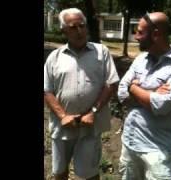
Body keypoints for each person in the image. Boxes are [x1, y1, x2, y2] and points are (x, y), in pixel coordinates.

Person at [44, 8, 119, 180]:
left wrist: (93, 112)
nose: (79, 31)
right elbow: (47, 90)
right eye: (73, 27)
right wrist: (62, 115)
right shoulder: (54, 57)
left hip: (90, 127)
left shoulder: (101, 52)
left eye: (82, 26)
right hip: (62, 126)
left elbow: (111, 84)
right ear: (63, 30)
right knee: (59, 172)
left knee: (90, 174)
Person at [117, 12, 171, 179]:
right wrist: (148, 93)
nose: (136, 37)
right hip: (130, 142)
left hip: (157, 150)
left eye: (140, 32)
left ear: (156, 34)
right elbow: (121, 93)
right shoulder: (140, 59)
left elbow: (161, 106)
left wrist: (134, 89)